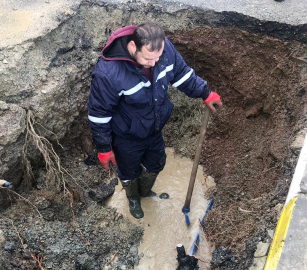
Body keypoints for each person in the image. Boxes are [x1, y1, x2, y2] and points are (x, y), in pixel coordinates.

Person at [87, 22, 222, 219]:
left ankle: (145, 191)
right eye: (148, 59)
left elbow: (182, 75)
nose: (154, 63)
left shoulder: (164, 49)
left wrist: (205, 93)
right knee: (128, 170)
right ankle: (133, 198)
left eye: (158, 57)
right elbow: (99, 114)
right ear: (133, 47)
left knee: (156, 162)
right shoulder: (108, 73)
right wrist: (104, 148)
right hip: (127, 135)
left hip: (154, 128)